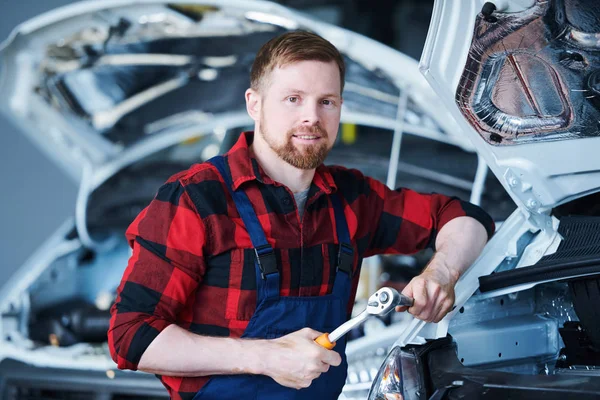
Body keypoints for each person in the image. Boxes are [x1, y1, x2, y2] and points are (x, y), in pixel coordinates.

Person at [108, 31, 494, 400]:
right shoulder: (195, 200)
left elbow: (464, 217)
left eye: (327, 101)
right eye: (293, 98)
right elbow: (130, 337)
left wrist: (441, 273)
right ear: (254, 104)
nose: (312, 117)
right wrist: (265, 357)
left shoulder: (351, 198)